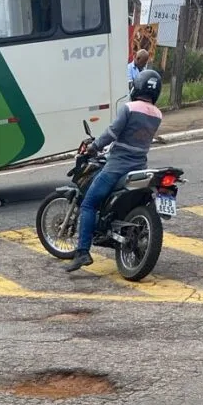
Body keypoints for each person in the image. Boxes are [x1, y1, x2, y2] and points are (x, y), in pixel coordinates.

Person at [64, 69, 164, 272]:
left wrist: (94, 147)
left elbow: (112, 132)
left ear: (137, 86)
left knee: (89, 204)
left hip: (116, 166)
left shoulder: (129, 108)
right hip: (139, 166)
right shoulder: (157, 114)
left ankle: (83, 251)